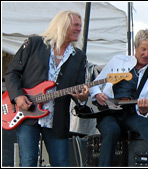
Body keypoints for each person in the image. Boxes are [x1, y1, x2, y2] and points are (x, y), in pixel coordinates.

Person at [4, 10, 89, 167]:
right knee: (28, 162)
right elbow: (11, 73)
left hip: (57, 120)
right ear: (62, 25)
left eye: (80, 26)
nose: (79, 29)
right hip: (27, 115)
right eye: (75, 25)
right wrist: (18, 97)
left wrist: (82, 98)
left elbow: (79, 87)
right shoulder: (34, 44)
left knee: (61, 163)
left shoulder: (79, 56)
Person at [89, 29, 148, 166]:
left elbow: (144, 110)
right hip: (107, 112)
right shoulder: (118, 60)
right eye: (143, 49)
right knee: (112, 130)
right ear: (135, 47)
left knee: (144, 123)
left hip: (129, 114)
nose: (146, 54)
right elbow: (93, 84)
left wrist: (143, 110)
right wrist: (97, 94)